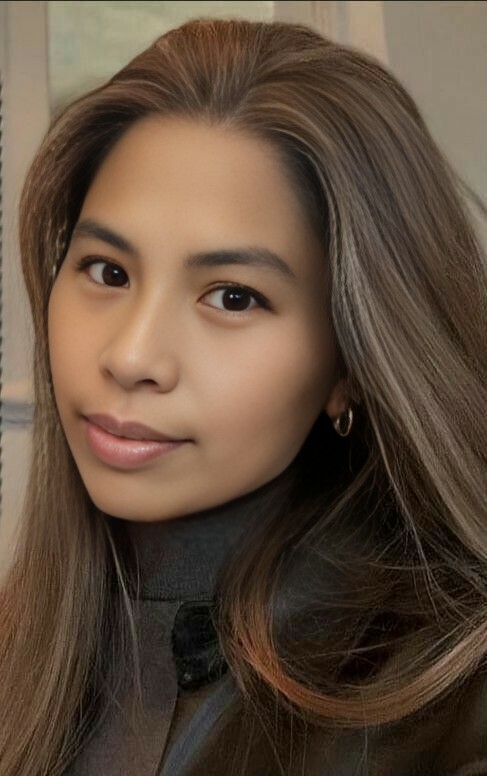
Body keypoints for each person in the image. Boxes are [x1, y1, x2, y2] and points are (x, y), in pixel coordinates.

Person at [0, 15, 486, 776]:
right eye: (107, 271)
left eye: (232, 297)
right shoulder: (22, 644)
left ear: (351, 361)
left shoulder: (458, 712)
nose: (130, 356)